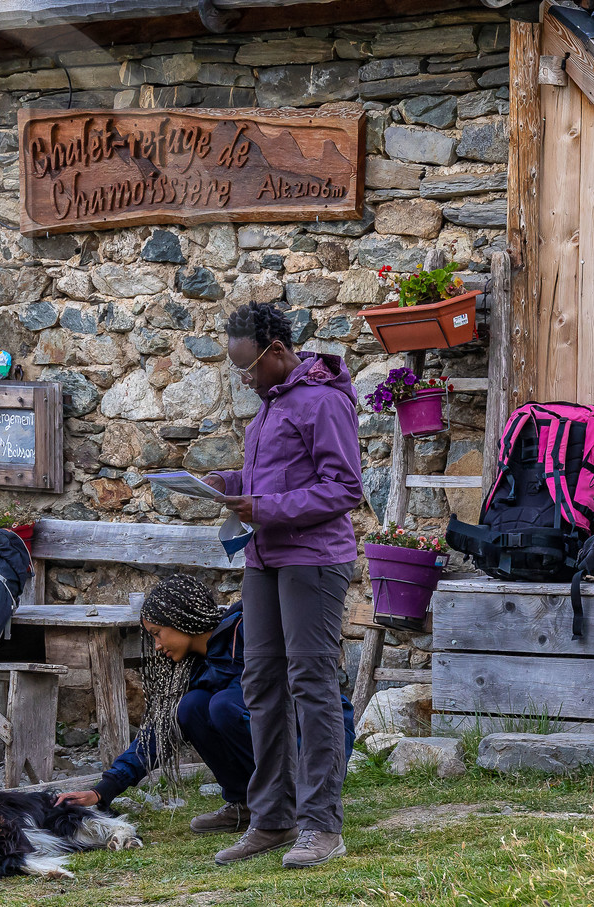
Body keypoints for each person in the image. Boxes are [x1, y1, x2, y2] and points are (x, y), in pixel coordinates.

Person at [203, 301, 364, 869]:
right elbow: (269, 479)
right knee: (261, 684)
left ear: (275, 352)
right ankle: (271, 818)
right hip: (263, 559)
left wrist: (263, 506)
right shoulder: (271, 407)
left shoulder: (323, 401)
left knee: (311, 685)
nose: (243, 380)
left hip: (312, 561)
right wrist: (223, 483)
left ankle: (322, 826)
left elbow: (344, 488)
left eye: (248, 368)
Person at [56, 576, 355, 834]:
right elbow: (160, 732)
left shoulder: (252, 634)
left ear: (181, 619)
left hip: (320, 744)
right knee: (190, 707)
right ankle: (246, 805)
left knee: (224, 705)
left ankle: (291, 803)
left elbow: (312, 701)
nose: (157, 646)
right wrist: (103, 789)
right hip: (283, 747)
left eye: (158, 634)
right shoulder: (195, 666)